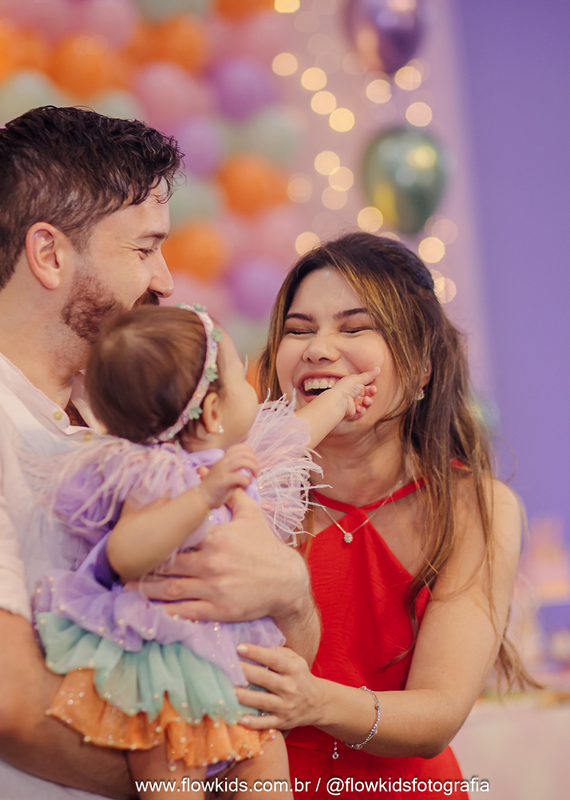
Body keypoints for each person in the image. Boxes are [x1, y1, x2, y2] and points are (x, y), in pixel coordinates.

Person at [0, 107, 319, 800]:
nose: (165, 280)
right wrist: (190, 768)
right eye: (145, 249)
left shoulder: (134, 429)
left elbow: (259, 667)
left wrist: (292, 593)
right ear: (50, 254)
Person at [227, 232, 534, 798]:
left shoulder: (476, 506)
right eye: (299, 330)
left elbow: (438, 713)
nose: (319, 348)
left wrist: (313, 701)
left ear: (420, 367)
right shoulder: (243, 492)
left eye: (353, 328)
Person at [33, 304, 377, 799]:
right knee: (172, 775)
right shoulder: (158, 474)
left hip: (234, 668)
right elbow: (124, 553)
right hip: (168, 678)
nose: (252, 390)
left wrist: (341, 398)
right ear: (213, 412)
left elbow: (295, 432)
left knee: (267, 761)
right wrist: (202, 497)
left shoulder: (236, 458)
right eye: (239, 379)